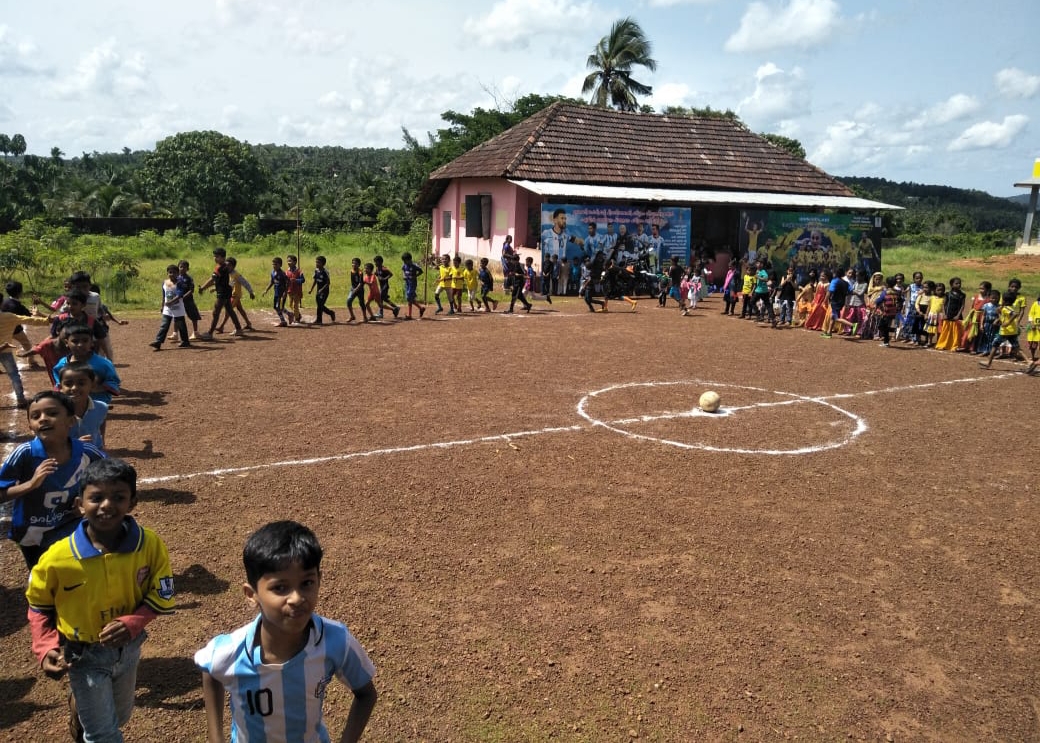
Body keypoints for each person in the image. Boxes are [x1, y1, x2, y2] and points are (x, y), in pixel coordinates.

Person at [26, 458, 174, 743]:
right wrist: (45, 647)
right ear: (80, 504)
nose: (107, 505)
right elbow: (38, 605)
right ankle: (86, 713)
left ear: (132, 502)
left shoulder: (149, 544)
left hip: (129, 649)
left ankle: (79, 707)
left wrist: (134, 622)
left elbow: (163, 591)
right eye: (96, 498)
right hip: (83, 654)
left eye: (118, 497)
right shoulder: (57, 557)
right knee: (103, 733)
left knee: (120, 716)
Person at [195, 521, 377, 743]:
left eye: (307, 583)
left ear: (319, 580)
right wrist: (216, 737)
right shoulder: (231, 650)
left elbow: (366, 694)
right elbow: (210, 671)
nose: (297, 598)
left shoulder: (335, 641)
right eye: (280, 587)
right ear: (252, 594)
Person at [0, 391, 106, 568]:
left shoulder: (86, 452)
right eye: (36, 416)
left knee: (78, 571)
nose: (43, 419)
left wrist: (87, 499)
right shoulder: (24, 454)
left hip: (72, 525)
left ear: (71, 421)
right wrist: (30, 484)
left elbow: (113, 478)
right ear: (30, 426)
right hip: (33, 535)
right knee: (43, 576)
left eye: (52, 413)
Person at [52, 326, 120, 407]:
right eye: (75, 341)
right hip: (72, 406)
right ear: (66, 342)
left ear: (92, 342)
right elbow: (59, 385)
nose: (80, 345)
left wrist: (95, 388)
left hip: (96, 404)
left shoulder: (103, 364)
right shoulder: (61, 364)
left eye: (85, 341)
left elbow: (113, 382)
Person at [0, 299, 50, 408]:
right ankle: (21, 400)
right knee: (14, 375)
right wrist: (47, 320)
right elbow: (29, 320)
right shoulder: (9, 316)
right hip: (5, 351)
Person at [198, 248, 244, 339]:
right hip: (227, 292)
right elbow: (221, 280)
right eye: (214, 256)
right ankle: (239, 329)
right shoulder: (225, 266)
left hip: (222, 293)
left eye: (217, 257)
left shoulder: (220, 268)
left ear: (223, 257)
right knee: (230, 310)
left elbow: (212, 280)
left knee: (216, 312)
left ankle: (210, 333)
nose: (215, 258)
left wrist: (203, 287)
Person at [59, 364, 107, 449]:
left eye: (81, 383)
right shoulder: (56, 412)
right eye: (68, 384)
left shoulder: (101, 407)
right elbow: (49, 440)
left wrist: (101, 440)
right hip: (67, 454)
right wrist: (75, 444)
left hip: (93, 452)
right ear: (60, 387)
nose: (74, 388)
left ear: (93, 385)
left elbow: (101, 421)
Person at [150, 264, 192, 351]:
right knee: (164, 325)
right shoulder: (165, 283)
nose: (172, 274)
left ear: (178, 274)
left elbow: (180, 295)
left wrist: (171, 302)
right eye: (170, 272)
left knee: (181, 325)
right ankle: (158, 342)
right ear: (167, 273)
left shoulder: (179, 283)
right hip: (168, 309)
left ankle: (185, 341)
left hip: (178, 308)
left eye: (174, 273)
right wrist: (163, 306)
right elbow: (164, 296)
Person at [981, 291, 1024, 369]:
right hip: (1012, 331)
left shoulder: (1006, 308)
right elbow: (1002, 315)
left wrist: (1007, 323)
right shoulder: (1006, 307)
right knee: (1016, 347)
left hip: (1005, 331)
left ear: (1004, 300)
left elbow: (1014, 314)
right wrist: (998, 318)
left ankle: (988, 362)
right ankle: (1029, 362)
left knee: (995, 345)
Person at [217, 257, 255, 333]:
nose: (227, 267)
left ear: (233, 266)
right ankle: (248, 323)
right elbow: (229, 285)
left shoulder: (236, 275)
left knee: (229, 310)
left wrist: (251, 292)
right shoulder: (228, 274)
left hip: (235, 295)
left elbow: (245, 283)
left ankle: (221, 326)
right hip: (231, 295)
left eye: (229, 265)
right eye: (226, 265)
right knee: (240, 309)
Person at [175, 260, 202, 340]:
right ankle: (175, 333)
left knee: (193, 316)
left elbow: (191, 290)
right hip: (178, 301)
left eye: (184, 267)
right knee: (177, 316)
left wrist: (183, 297)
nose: (182, 269)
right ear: (178, 268)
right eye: (181, 267)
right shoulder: (176, 278)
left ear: (188, 269)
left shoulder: (189, 278)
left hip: (188, 300)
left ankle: (195, 332)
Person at [262, 256, 290, 327]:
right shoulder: (273, 272)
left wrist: (285, 292)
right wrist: (266, 290)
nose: (274, 266)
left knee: (278, 307)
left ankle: (283, 321)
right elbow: (272, 282)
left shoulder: (282, 273)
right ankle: (290, 314)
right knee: (276, 307)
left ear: (280, 265)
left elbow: (288, 282)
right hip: (276, 293)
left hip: (281, 293)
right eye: (273, 264)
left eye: (276, 264)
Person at [309, 255, 336, 325]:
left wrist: (321, 290)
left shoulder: (325, 272)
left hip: (324, 291)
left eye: (318, 262)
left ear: (323, 264)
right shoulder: (316, 270)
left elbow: (328, 283)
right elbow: (315, 280)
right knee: (319, 305)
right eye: (316, 262)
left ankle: (319, 320)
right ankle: (331, 313)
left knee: (320, 305)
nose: (316, 264)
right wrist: (311, 289)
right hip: (318, 291)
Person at [399, 252, 426, 320]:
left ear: (410, 259)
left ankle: (409, 315)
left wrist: (415, 276)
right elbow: (403, 270)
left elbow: (421, 271)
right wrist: (404, 276)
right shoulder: (404, 265)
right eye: (403, 261)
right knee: (410, 299)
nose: (404, 262)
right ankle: (421, 308)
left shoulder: (414, 265)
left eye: (405, 261)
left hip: (412, 284)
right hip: (407, 283)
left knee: (409, 297)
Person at [284, 255, 305, 325]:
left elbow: (303, 280)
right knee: (290, 305)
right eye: (288, 261)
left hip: (297, 291)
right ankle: (298, 314)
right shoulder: (286, 271)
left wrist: (296, 280)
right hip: (290, 291)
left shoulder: (299, 271)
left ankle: (297, 318)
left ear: (295, 262)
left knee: (295, 305)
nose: (288, 262)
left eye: (290, 261)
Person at [1027, 292, 1040, 374]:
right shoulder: (1036, 304)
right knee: (1033, 343)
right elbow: (1031, 314)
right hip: (1034, 327)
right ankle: (1033, 357)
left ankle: (1037, 362)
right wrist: (1031, 323)